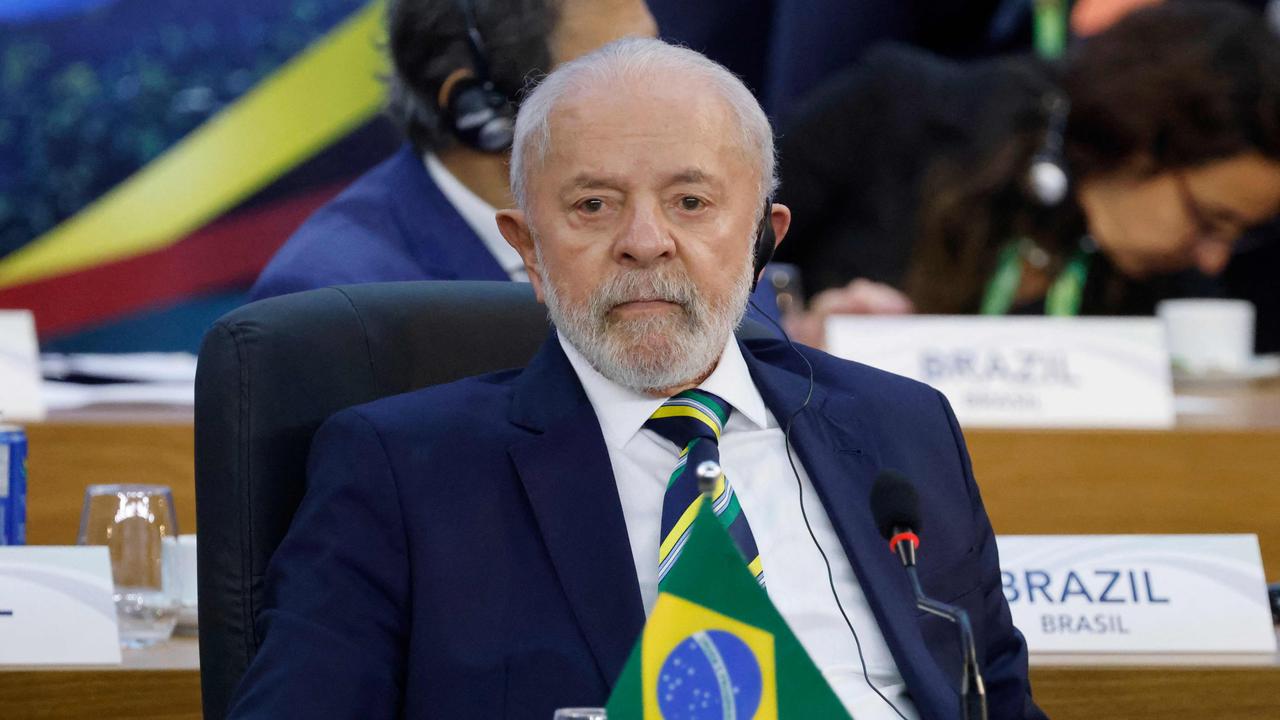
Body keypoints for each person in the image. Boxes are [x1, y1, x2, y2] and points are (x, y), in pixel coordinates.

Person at [228, 38, 1045, 719]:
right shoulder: (402, 475)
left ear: (764, 236)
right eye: (592, 207)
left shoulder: (903, 431)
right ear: (528, 248)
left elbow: (997, 699)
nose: (645, 242)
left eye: (692, 202)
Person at [776, 2, 1280, 350]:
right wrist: (789, 333)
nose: (1214, 259)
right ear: (1140, 144)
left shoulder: (1173, 279)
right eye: (1210, 220)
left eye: (1239, 236)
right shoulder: (893, 109)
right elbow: (708, 257)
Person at [248, 0, 657, 300]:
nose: (666, 94)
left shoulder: (680, 234)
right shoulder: (335, 299)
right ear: (480, 110)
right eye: (614, 72)